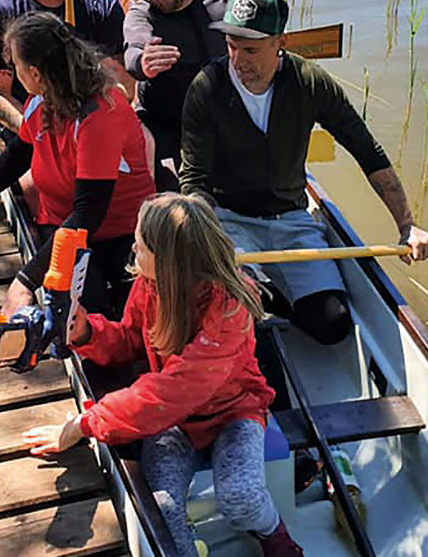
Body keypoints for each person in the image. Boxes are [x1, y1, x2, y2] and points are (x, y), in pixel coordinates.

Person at [22, 193, 305, 557]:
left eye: (140, 246)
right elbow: (130, 339)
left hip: (233, 413)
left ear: (170, 260)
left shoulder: (229, 309)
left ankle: (274, 534)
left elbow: (173, 391)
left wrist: (86, 424)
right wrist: (86, 333)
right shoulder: (148, 285)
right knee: (163, 513)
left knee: (241, 497)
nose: (133, 251)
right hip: (177, 425)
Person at [180, 0, 428, 347]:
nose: (238, 60)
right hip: (228, 219)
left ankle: (270, 301)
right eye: (232, 46)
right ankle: (253, 296)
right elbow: (195, 183)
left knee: (332, 326)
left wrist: (407, 225)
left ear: (280, 43)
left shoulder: (310, 82)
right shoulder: (207, 87)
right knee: (235, 310)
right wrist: (210, 244)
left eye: (251, 50)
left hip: (291, 221)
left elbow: (367, 151)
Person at [0, 13, 155, 319]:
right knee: (77, 311)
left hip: (119, 235)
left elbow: (88, 214)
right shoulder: (39, 100)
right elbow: (18, 154)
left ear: (35, 72)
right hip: (61, 227)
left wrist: (24, 281)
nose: (13, 74)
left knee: (106, 321)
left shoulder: (99, 116)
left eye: (15, 66)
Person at [123, 0, 234, 186]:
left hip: (220, 114)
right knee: (170, 192)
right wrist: (144, 62)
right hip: (165, 119)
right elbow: (133, 52)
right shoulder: (142, 14)